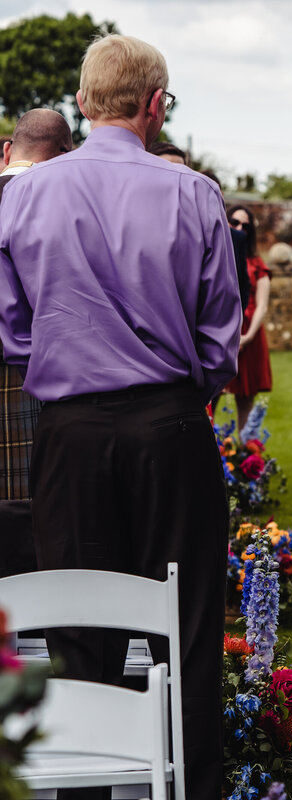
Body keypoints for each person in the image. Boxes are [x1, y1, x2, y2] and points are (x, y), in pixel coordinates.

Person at [0, 35, 240, 800]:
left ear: (81, 102)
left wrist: (71, 354)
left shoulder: (22, 195)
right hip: (171, 429)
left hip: (69, 432)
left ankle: (83, 790)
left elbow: (9, 328)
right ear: (155, 105)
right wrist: (174, 389)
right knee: (192, 622)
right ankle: (193, 787)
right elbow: (219, 340)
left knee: (75, 624)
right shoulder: (195, 194)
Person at [0, 108, 72, 579]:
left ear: (7, 150)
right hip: (33, 374)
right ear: (66, 155)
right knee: (34, 513)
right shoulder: (62, 202)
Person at [225, 204, 274, 430]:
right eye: (234, 222)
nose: (239, 228)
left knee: (246, 405)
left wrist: (248, 336)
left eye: (245, 225)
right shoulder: (217, 256)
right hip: (224, 335)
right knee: (211, 402)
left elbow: (262, 305)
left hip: (250, 335)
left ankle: (246, 461)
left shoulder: (256, 263)